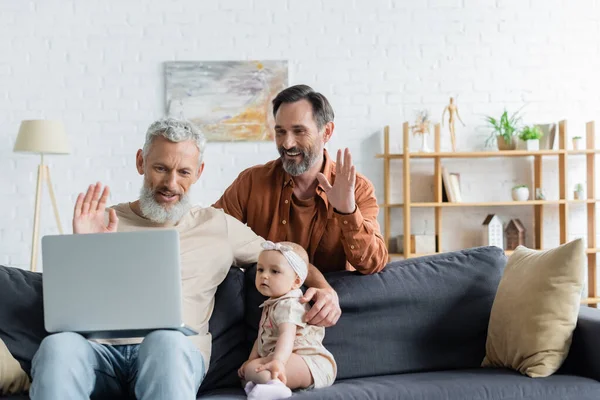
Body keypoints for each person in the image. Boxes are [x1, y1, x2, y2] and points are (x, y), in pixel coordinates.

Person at [29, 118, 337, 400]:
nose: (171, 184)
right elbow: (67, 308)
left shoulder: (218, 225)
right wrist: (84, 248)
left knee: (165, 341)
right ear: (141, 162)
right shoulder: (104, 221)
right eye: (161, 168)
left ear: (199, 172)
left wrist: (324, 287)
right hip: (97, 352)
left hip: (172, 353)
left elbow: (287, 256)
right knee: (58, 346)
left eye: (184, 172)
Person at [213, 84, 388, 279]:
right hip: (270, 297)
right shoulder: (252, 182)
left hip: (332, 299)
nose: (287, 143)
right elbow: (211, 234)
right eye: (280, 132)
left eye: (299, 131)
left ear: (327, 132)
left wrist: (347, 212)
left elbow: (373, 264)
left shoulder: (357, 188)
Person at [239, 241, 336, 400]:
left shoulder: (289, 304)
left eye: (275, 271)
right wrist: (251, 360)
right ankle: (265, 385)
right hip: (287, 358)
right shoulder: (272, 304)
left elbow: (287, 335)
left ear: (296, 282)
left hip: (309, 362)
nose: (264, 275)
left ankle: (275, 386)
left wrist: (278, 361)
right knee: (247, 372)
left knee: (258, 372)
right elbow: (261, 338)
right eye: (260, 269)